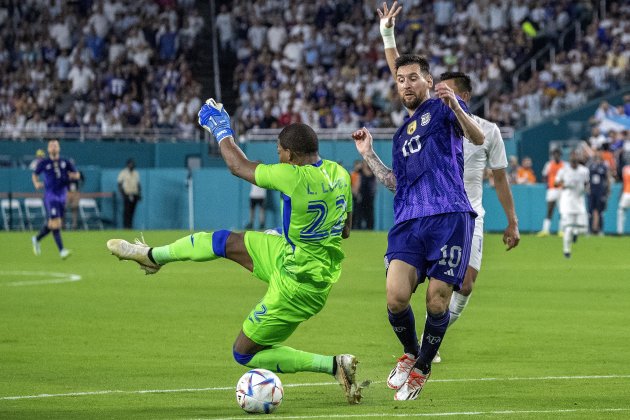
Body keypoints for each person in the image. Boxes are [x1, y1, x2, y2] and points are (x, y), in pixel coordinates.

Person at [107, 101, 364, 404]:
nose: (277, 157)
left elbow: (237, 166)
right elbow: (345, 231)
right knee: (225, 241)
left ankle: (334, 365)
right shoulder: (340, 174)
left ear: (290, 155)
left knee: (243, 352)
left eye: (279, 153)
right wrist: (296, 234)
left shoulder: (292, 175)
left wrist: (220, 128)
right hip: (292, 254)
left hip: (299, 284)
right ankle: (152, 256)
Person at [352, 2, 485, 401]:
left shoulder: (443, 111)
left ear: (429, 82)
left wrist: (456, 108)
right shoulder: (400, 134)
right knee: (395, 297)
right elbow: (395, 183)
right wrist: (369, 156)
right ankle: (411, 353)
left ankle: (423, 368)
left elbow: (477, 138)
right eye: (400, 81)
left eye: (414, 79)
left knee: (437, 301)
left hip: (449, 216)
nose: (406, 84)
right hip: (409, 220)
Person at [31, 139, 80, 259]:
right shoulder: (44, 162)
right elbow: (35, 174)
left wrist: (72, 175)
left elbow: (77, 174)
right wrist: (36, 183)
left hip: (62, 195)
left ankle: (36, 239)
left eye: (55, 145)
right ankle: (62, 251)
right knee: (56, 223)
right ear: (48, 149)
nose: (53, 147)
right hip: (50, 195)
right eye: (51, 145)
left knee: (53, 224)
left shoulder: (65, 161)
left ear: (59, 148)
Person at [555, 151, 589, 258]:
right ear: (570, 159)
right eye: (572, 158)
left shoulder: (584, 170)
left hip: (579, 201)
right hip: (567, 202)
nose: (574, 160)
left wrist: (586, 189)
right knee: (568, 227)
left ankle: (576, 232)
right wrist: (565, 184)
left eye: (576, 157)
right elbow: (555, 183)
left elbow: (587, 183)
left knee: (583, 228)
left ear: (578, 159)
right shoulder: (564, 170)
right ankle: (566, 251)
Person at [537, 148, 565, 236]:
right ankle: (545, 230)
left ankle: (561, 230)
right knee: (550, 210)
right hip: (551, 190)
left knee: (562, 211)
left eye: (558, 154)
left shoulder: (564, 165)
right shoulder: (548, 165)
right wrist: (548, 184)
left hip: (561, 190)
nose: (556, 156)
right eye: (555, 154)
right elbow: (544, 175)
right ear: (553, 155)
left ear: (560, 155)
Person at [587, 150, 612, 235]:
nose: (597, 154)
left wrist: (608, 190)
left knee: (600, 211)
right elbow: (587, 179)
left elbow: (608, 178)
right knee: (590, 211)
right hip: (592, 191)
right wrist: (587, 188)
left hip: (600, 191)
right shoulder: (590, 166)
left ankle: (600, 229)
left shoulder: (604, 166)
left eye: (599, 153)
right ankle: (590, 229)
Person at [117, 159, 141, 229]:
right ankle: (126, 226)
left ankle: (130, 226)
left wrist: (139, 194)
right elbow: (119, 183)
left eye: (133, 164)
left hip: (134, 194)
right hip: (127, 194)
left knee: (132, 211)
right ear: (127, 165)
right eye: (130, 164)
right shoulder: (123, 172)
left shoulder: (136, 173)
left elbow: (138, 184)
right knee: (126, 211)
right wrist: (122, 193)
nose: (132, 165)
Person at [246, 162, 267, 230]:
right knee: (253, 210)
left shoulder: (255, 174)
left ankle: (260, 224)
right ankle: (252, 224)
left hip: (259, 195)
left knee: (260, 210)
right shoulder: (263, 175)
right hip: (255, 195)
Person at [356, 162, 376, 229]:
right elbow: (357, 182)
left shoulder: (372, 172)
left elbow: (370, 176)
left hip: (369, 196)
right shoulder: (360, 171)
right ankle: (359, 227)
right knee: (360, 212)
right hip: (362, 195)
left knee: (369, 213)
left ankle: (370, 227)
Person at [617, 164, 630, 235]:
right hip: (626, 192)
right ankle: (620, 231)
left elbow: (623, 182)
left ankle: (620, 231)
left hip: (626, 193)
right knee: (621, 211)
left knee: (621, 211)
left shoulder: (625, 168)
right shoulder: (625, 168)